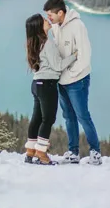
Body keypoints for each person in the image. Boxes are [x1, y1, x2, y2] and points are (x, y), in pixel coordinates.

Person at [43, 0, 102, 165]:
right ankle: (73, 152)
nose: (49, 18)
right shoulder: (56, 26)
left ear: (60, 13)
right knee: (68, 116)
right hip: (61, 81)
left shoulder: (78, 26)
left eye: (51, 15)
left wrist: (71, 74)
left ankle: (95, 152)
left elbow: (85, 55)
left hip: (77, 81)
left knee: (83, 116)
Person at [23, 14, 77, 165]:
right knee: (48, 119)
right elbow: (58, 66)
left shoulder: (33, 43)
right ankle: (41, 153)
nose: (47, 21)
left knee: (37, 119)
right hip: (47, 85)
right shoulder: (47, 43)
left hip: (36, 84)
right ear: (39, 26)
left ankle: (30, 151)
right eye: (44, 20)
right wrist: (75, 55)